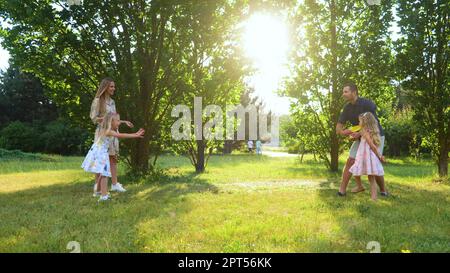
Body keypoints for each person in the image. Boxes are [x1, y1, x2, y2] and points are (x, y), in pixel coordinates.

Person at [336, 82, 388, 196]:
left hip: (375, 135)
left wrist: (358, 134)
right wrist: (342, 131)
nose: (343, 94)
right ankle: (342, 191)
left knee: (375, 163)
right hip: (361, 136)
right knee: (351, 160)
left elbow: (371, 124)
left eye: (346, 91)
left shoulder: (367, 104)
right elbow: (339, 126)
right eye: (343, 92)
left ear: (354, 92)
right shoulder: (347, 108)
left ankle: (383, 191)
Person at [82, 113, 144, 201]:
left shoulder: (106, 128)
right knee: (104, 174)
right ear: (111, 122)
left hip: (98, 151)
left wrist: (123, 121)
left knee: (101, 173)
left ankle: (98, 191)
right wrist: (135, 134)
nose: (119, 122)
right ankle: (104, 196)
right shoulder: (109, 131)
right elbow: (122, 135)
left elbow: (109, 119)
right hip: (101, 153)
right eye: (118, 121)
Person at [90, 78, 134, 195]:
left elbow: (114, 118)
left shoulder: (113, 102)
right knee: (100, 161)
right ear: (105, 87)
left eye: (114, 86)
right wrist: (106, 119)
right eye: (111, 87)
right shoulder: (98, 101)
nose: (114, 89)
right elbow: (94, 118)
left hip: (113, 134)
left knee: (113, 159)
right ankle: (98, 189)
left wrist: (124, 121)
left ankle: (114, 185)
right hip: (103, 134)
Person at [349, 112, 386, 200]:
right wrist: (354, 135)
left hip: (365, 157)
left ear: (365, 122)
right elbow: (359, 135)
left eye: (360, 121)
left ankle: (362, 188)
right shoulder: (368, 131)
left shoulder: (364, 131)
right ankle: (371, 196)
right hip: (368, 157)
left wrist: (380, 156)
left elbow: (372, 146)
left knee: (357, 172)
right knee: (370, 178)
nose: (359, 123)